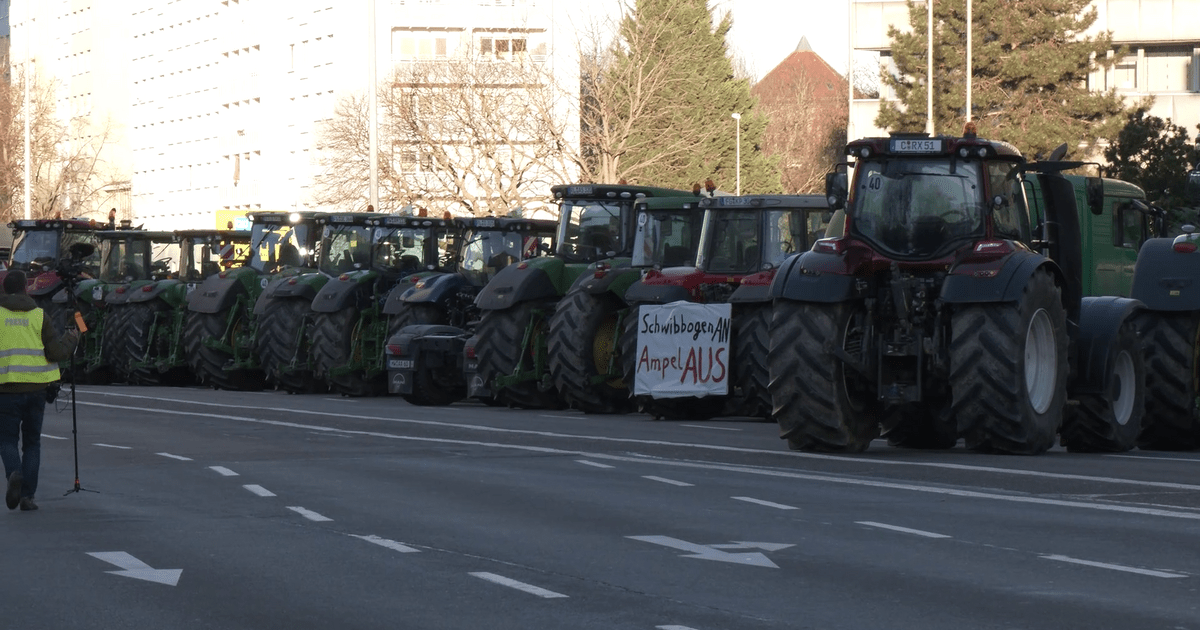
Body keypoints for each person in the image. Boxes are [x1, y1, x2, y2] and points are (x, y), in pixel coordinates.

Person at [1, 270, 80, 512]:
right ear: (26, 288)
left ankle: (14, 472)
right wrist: (72, 339)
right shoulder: (39, 316)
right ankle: (27, 497)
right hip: (37, 390)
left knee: (7, 440)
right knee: (33, 443)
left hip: (6, 390)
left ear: (5, 289)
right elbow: (55, 353)